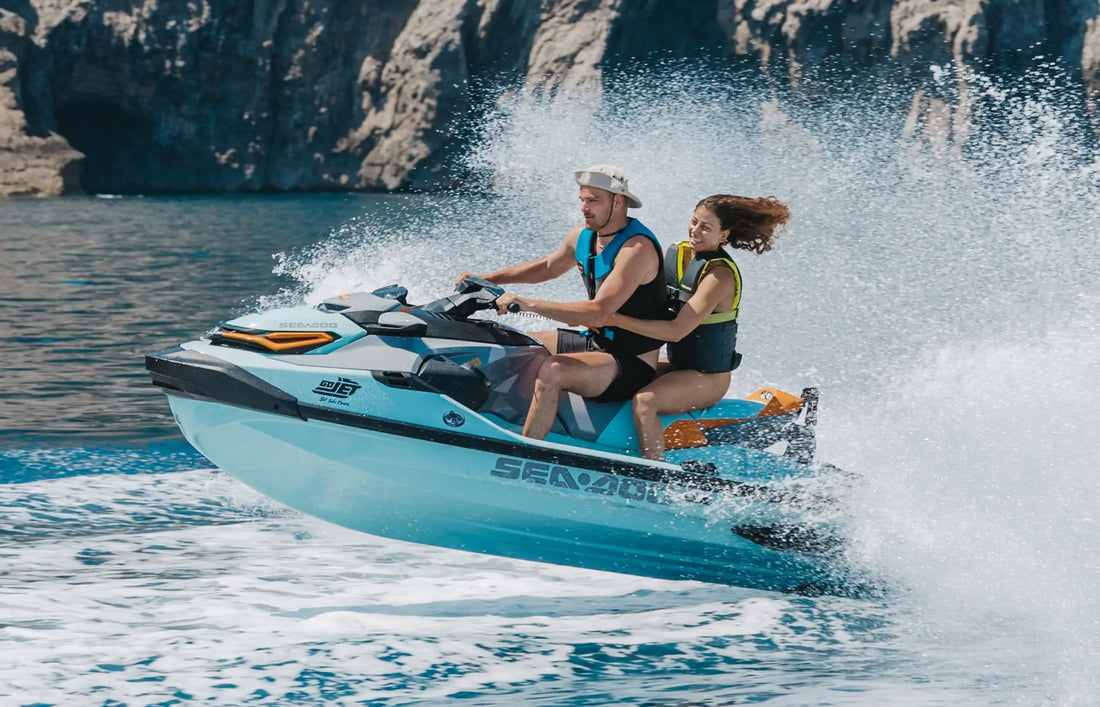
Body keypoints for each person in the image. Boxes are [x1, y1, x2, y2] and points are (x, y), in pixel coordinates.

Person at [455, 165, 668, 440]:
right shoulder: (583, 237)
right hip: (596, 342)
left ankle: (527, 451)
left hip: (631, 362)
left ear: (618, 201)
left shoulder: (636, 250)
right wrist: (489, 278)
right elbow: (547, 267)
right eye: (582, 200)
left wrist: (529, 304)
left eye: (593, 201)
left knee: (553, 372)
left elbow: (599, 312)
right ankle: (488, 420)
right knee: (516, 346)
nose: (584, 208)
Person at [604, 194, 790, 460]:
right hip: (679, 366)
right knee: (616, 370)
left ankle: (652, 473)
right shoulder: (675, 255)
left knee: (646, 402)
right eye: (694, 221)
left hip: (708, 377)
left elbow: (676, 331)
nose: (695, 230)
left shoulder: (719, 275)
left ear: (724, 235)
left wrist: (614, 319)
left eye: (706, 227)